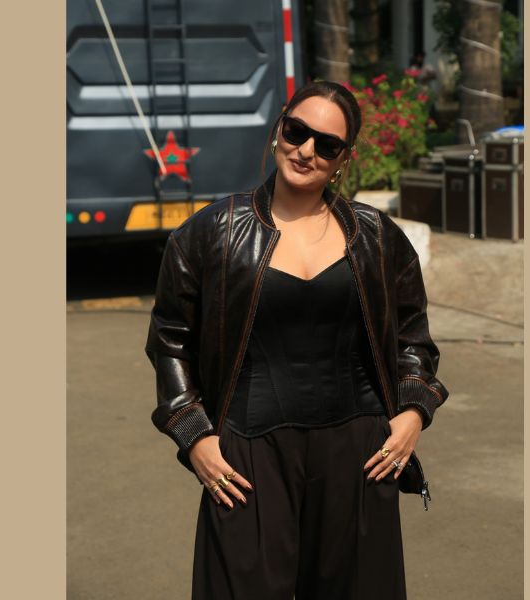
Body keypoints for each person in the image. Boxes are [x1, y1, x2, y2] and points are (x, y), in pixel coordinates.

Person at [145, 80, 449, 600]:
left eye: (326, 144)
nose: (306, 150)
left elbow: (413, 338)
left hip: (360, 453)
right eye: (296, 131)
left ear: (344, 159)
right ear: (277, 130)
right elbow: (170, 340)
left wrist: (413, 414)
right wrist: (194, 436)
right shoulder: (210, 233)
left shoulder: (377, 237)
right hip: (247, 455)